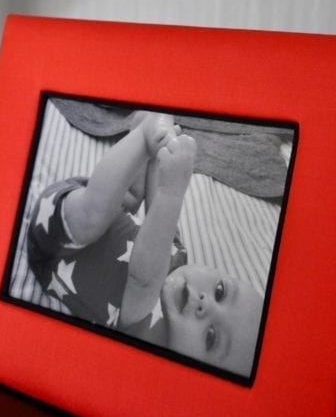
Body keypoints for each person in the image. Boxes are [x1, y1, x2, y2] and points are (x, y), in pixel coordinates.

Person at [26, 112, 264, 377]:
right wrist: (160, 153)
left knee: (96, 216)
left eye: (210, 336)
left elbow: (144, 278)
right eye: (220, 291)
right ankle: (144, 139)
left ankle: (140, 134)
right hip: (89, 208)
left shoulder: (148, 341)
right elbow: (157, 211)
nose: (204, 304)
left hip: (54, 241)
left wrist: (174, 189)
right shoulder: (179, 260)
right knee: (129, 201)